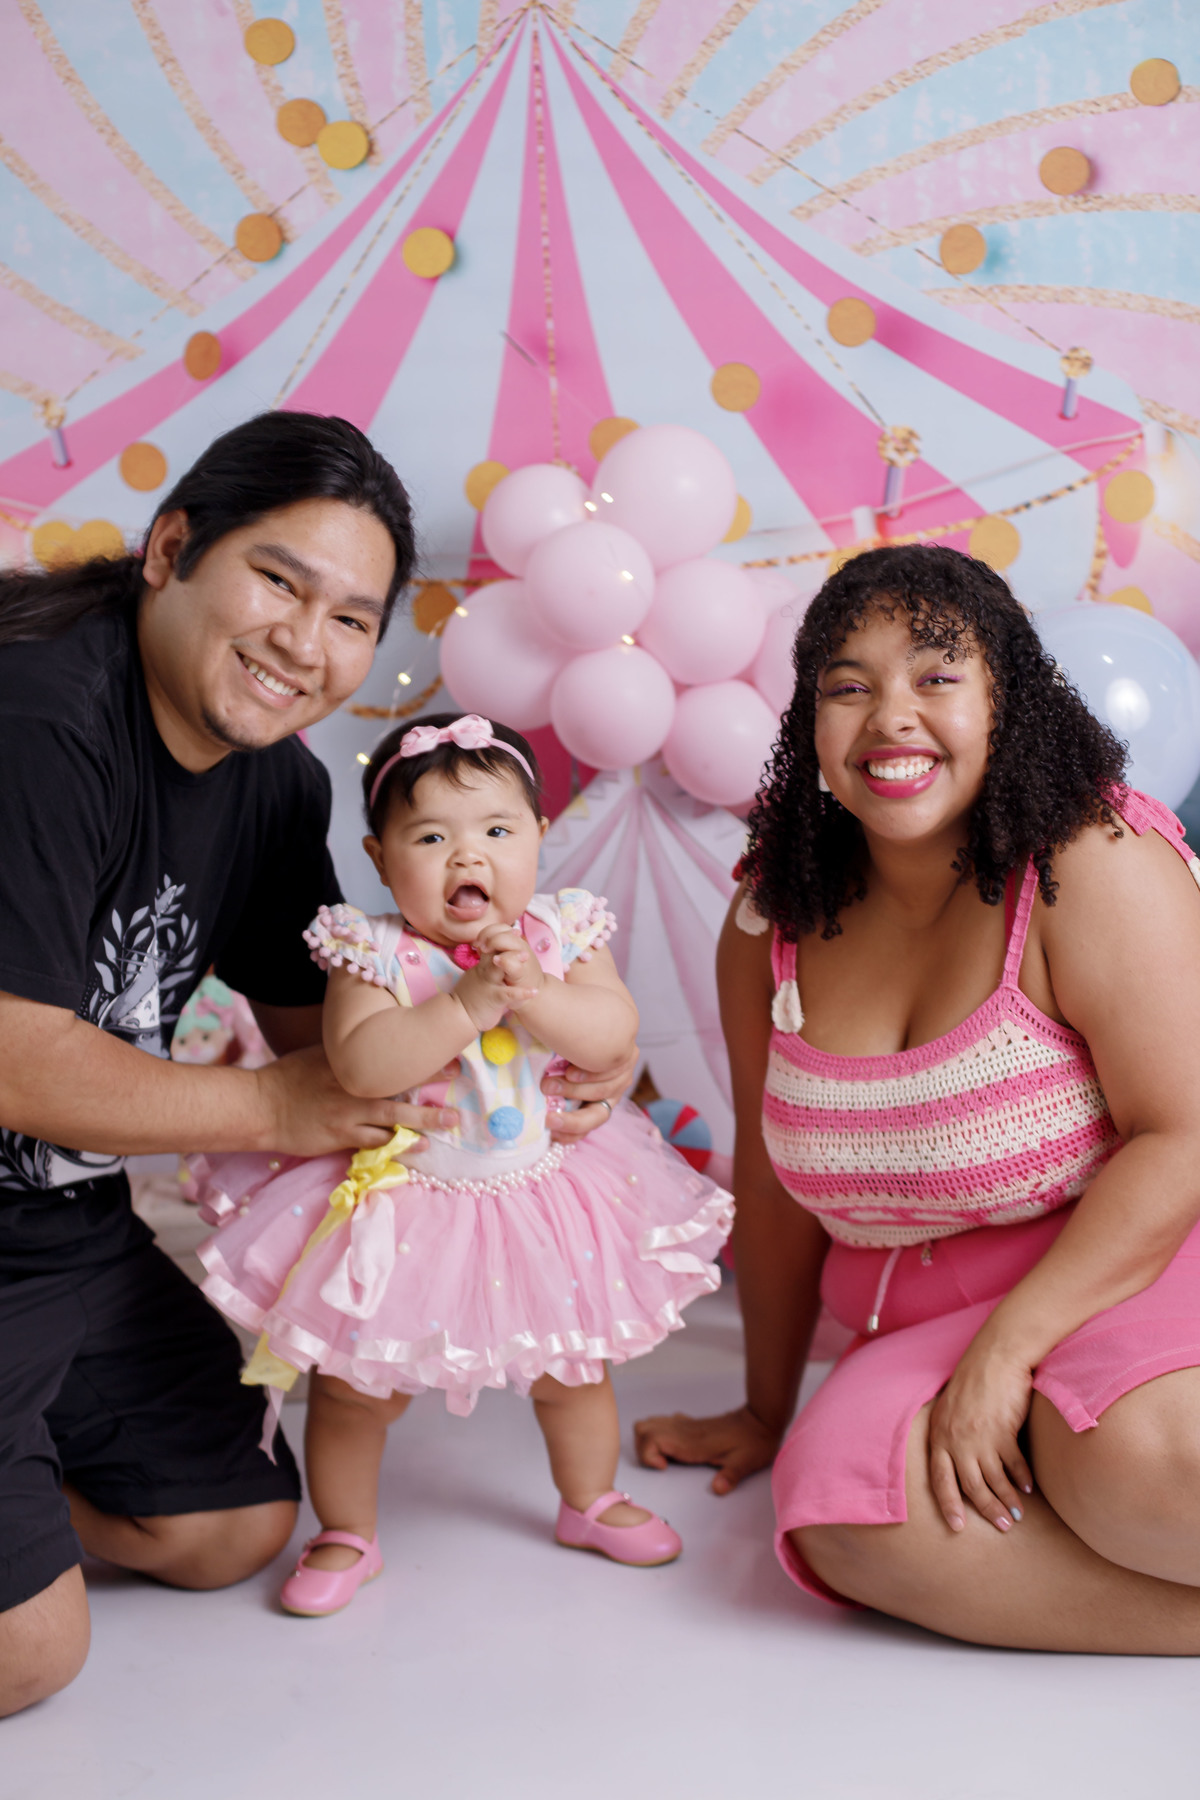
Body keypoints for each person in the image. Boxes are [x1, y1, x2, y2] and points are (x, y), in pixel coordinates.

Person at [0, 415, 632, 1714]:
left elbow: (333, 1051)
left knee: (228, 1524)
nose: (305, 641)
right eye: (279, 582)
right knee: (32, 1655)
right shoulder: (39, 720)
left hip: (57, 1224)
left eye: (350, 618)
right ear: (170, 550)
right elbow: (17, 1062)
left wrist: (537, 1052)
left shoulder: (276, 787)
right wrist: (269, 1108)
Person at [636, 544, 1200, 1653]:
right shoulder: (774, 913)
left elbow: (1183, 1136)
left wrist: (1011, 1353)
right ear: (812, 724)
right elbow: (774, 1179)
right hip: (921, 1314)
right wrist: (764, 1409)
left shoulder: (1093, 858)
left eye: (938, 677)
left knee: (1131, 1460)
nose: (892, 716)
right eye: (850, 686)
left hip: (1142, 1255)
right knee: (850, 1518)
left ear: (1006, 701)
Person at [190, 711, 733, 1615]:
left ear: (539, 838)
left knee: (573, 1369)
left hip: (542, 1193)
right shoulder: (368, 950)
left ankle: (589, 1499)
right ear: (379, 857)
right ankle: (346, 1531)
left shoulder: (562, 931)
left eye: (496, 831)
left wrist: (536, 996)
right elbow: (361, 1065)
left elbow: (612, 1034)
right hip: (405, 1198)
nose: (467, 856)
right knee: (356, 1388)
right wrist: (468, 1005)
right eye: (432, 838)